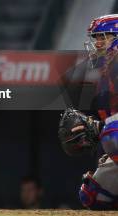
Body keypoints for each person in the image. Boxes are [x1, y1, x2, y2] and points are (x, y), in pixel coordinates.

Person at [58, 14, 118, 210]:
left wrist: (106, 131)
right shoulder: (105, 73)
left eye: (104, 36)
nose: (98, 43)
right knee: (93, 195)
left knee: (113, 133)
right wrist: (98, 129)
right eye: (96, 38)